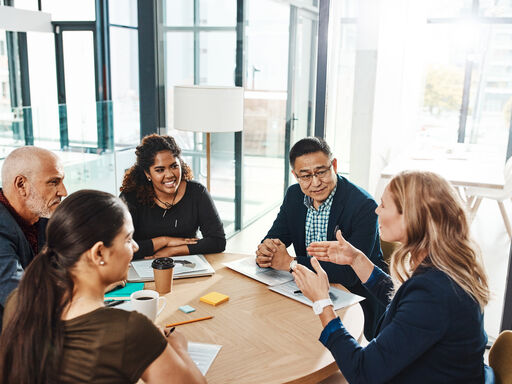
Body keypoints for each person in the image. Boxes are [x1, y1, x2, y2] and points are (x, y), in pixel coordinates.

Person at [294, 171, 492, 383]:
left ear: (411, 216)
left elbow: (363, 373)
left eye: (383, 205)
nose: (377, 210)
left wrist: (322, 303)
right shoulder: (447, 266)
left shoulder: (434, 293)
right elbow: (405, 303)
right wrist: (357, 259)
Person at [0, 190, 206, 384]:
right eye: (127, 239)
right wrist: (179, 347)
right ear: (99, 253)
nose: (135, 247)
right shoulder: (130, 331)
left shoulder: (19, 301)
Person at [255, 137, 386, 340]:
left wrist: (291, 263)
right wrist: (267, 251)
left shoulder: (363, 205)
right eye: (305, 176)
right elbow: (275, 237)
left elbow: (350, 274)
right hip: (307, 295)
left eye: (321, 172)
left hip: (354, 300)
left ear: (334, 165)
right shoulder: (294, 196)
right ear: (295, 175)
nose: (315, 183)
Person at [120, 134, 226, 260]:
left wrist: (173, 251)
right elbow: (119, 249)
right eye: (160, 170)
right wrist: (164, 241)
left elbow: (217, 241)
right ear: (147, 173)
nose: (169, 175)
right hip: (141, 268)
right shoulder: (130, 198)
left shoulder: (197, 192)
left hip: (187, 266)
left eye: (174, 166)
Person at [0, 146, 66, 328]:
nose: (63, 192)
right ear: (21, 185)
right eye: (54, 182)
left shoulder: (42, 216)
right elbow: (21, 300)